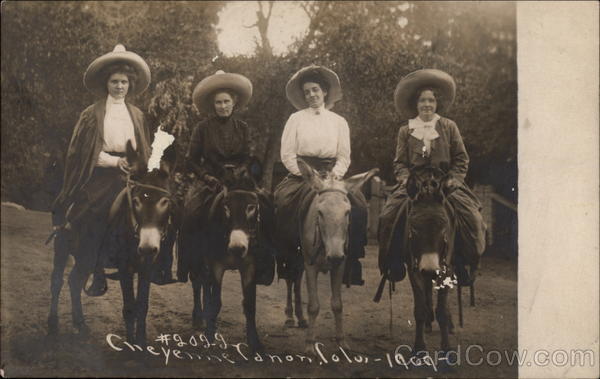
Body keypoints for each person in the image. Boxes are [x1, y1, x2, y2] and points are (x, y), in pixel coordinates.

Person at [51, 44, 155, 296]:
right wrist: (112, 161)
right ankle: (96, 269)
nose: (120, 87)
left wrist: (137, 163)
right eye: (115, 82)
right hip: (100, 174)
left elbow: (144, 147)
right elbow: (81, 152)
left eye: (124, 82)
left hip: (131, 174)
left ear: (130, 85)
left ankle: (152, 263)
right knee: (95, 212)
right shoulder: (92, 114)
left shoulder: (138, 115)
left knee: (155, 210)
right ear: (106, 83)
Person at [378, 68, 486, 285]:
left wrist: (454, 179)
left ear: (437, 103)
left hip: (445, 185)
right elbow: (399, 162)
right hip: (413, 185)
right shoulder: (405, 131)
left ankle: (466, 262)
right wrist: (405, 179)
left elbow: (461, 159)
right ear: (415, 104)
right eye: (422, 101)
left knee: (472, 218)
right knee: (387, 216)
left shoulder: (449, 127)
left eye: (431, 101)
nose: (427, 105)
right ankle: (393, 263)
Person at [177, 70, 275, 285]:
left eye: (226, 101)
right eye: (218, 102)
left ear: (234, 102)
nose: (223, 106)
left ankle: (264, 267)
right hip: (210, 181)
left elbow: (249, 156)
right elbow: (190, 160)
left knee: (266, 206)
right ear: (213, 105)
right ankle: (186, 264)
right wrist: (207, 177)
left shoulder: (243, 128)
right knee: (190, 213)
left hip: (239, 181)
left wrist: (242, 170)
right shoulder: (202, 128)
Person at [274, 65, 368, 286]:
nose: (311, 95)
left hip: (332, 174)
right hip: (302, 174)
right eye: (307, 92)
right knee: (283, 202)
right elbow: (287, 155)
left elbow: (344, 156)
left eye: (315, 90)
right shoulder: (295, 119)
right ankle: (288, 259)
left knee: (360, 206)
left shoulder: (339, 122)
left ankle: (352, 261)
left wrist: (333, 177)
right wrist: (308, 176)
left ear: (325, 91)